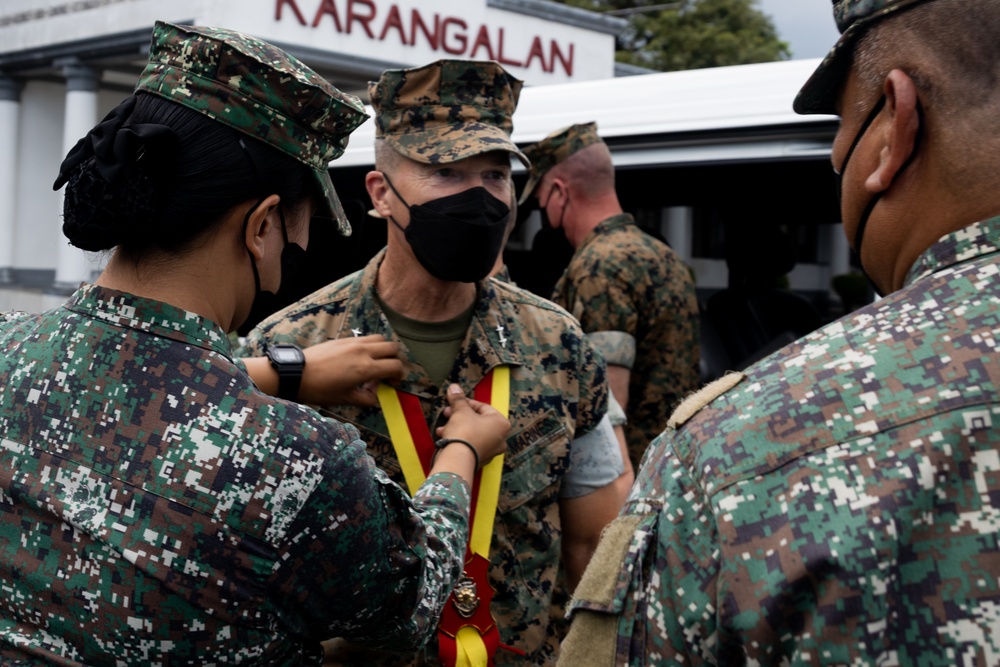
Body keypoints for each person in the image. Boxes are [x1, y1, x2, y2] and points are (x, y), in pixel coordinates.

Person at [0, 21, 511, 666]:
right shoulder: (300, 458)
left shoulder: (8, 348)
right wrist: (461, 451)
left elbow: (130, 380)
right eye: (304, 220)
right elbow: (412, 603)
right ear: (263, 224)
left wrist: (279, 373)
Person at [557, 0, 1000, 664]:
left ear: (895, 123)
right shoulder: (665, 262)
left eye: (843, 127)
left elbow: (608, 412)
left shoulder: (736, 453)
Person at [241, 59, 630, 666]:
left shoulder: (558, 343)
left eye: (496, 175)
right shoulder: (291, 347)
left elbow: (597, 547)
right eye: (445, 172)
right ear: (380, 195)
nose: (478, 197)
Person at [520, 122, 701, 470]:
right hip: (674, 462)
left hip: (628, 476)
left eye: (542, 200)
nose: (544, 213)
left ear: (560, 192)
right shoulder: (664, 255)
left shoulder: (598, 266)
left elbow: (607, 408)